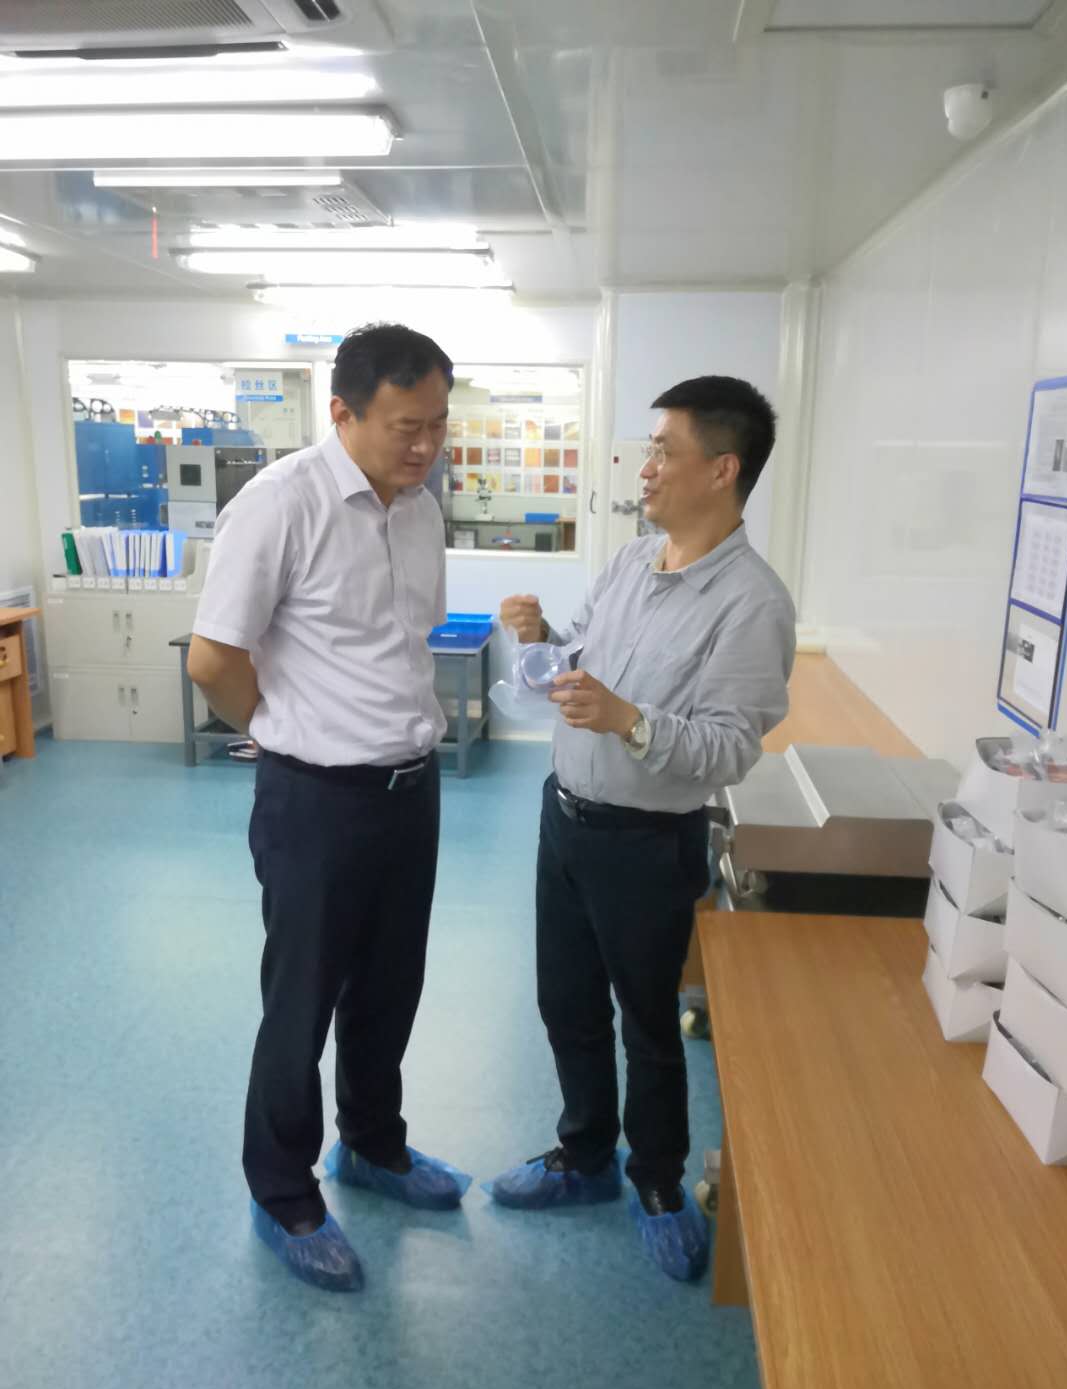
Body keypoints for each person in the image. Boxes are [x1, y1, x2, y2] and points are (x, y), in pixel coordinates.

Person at [489, 375, 796, 1281]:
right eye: (648, 448)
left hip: (647, 845)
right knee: (566, 1005)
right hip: (565, 821)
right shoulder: (631, 560)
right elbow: (581, 656)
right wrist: (542, 637)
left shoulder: (753, 604)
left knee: (649, 1026)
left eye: (665, 450)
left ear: (723, 469)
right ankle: (585, 1154)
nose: (647, 467)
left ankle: (657, 1180)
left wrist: (630, 721)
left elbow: (730, 747)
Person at [187, 324, 469, 1293]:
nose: (425, 445)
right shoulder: (281, 505)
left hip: (410, 789)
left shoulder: (421, 510)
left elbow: (407, 644)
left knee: (390, 989)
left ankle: (374, 1145)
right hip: (315, 799)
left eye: (437, 424)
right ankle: (281, 1190)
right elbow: (213, 659)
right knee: (301, 1001)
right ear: (342, 412)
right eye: (405, 426)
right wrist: (283, 731)